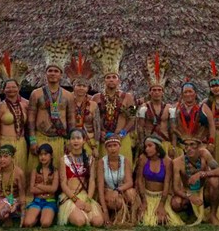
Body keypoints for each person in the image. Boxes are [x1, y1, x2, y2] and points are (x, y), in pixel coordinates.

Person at [28, 41, 74, 171]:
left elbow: (71, 120)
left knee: (59, 175)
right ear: (46, 73)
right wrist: (32, 140)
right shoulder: (36, 94)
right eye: (50, 71)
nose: (53, 73)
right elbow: (31, 119)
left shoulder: (68, 95)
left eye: (56, 71)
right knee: (38, 174)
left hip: (60, 140)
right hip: (41, 138)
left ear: (61, 74)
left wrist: (69, 141)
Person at [91, 37, 136, 165]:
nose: (111, 80)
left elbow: (133, 118)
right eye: (108, 77)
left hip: (122, 137)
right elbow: (94, 119)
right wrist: (100, 133)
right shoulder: (96, 98)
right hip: (104, 139)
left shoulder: (128, 98)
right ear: (104, 80)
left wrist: (122, 133)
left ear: (118, 80)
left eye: (114, 77)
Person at [171, 114, 219, 224]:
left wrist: (202, 174)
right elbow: (176, 188)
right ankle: (190, 213)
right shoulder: (177, 162)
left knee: (214, 180)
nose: (189, 148)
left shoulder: (205, 154)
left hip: (204, 191)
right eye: (186, 145)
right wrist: (190, 196)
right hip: (188, 192)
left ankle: (212, 214)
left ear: (199, 145)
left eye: (192, 144)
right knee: (175, 203)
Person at [58, 129, 103, 227]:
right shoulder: (64, 159)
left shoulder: (90, 159)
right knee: (80, 221)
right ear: (69, 141)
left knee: (98, 222)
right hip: (70, 197)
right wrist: (75, 200)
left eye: (78, 138)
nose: (75, 141)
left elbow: (91, 181)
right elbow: (63, 183)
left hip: (85, 196)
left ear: (84, 141)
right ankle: (75, 214)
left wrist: (88, 201)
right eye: (73, 138)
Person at [136, 136, 184, 226]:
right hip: (146, 196)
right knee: (142, 219)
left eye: (150, 146)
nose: (147, 149)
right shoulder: (143, 158)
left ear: (157, 147)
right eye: (146, 146)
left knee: (161, 220)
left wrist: (162, 205)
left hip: (161, 197)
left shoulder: (167, 161)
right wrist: (143, 201)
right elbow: (140, 180)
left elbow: (167, 183)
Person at [0, 51, 29, 174]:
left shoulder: (26, 104)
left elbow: (30, 125)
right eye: (8, 87)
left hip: (21, 144)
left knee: (20, 174)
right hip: (5, 143)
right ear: (3, 90)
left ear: (19, 88)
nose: (11, 90)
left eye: (14, 87)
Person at [137, 53, 175, 157]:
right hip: (149, 144)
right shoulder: (144, 108)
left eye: (159, 90)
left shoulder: (169, 108)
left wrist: (173, 146)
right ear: (150, 92)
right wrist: (141, 145)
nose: (156, 92)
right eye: (154, 90)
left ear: (163, 92)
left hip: (165, 143)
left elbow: (172, 129)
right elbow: (140, 128)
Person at [97, 134, 140, 225]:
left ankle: (131, 218)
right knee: (117, 201)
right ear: (106, 148)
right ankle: (114, 216)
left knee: (131, 194)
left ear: (119, 146)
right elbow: (100, 188)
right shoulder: (101, 162)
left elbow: (129, 182)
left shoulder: (125, 161)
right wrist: (105, 211)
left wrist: (118, 190)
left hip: (121, 189)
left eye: (115, 145)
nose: (113, 149)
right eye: (109, 146)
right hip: (108, 191)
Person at [65, 53, 100, 157]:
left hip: (89, 142)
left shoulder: (93, 105)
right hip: (70, 141)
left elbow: (97, 127)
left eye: (84, 86)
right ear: (73, 86)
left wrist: (96, 146)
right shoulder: (66, 101)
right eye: (78, 85)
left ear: (88, 88)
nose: (81, 88)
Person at [23, 143, 59, 228]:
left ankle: (45, 215)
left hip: (50, 201)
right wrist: (48, 189)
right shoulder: (35, 171)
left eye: (45, 154)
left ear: (51, 156)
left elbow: (54, 189)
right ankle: (38, 215)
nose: (43, 157)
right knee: (27, 223)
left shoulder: (55, 171)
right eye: (40, 155)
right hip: (37, 201)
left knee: (45, 224)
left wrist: (39, 185)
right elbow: (32, 189)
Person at [174, 81, 215, 155]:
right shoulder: (177, 108)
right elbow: (172, 127)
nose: (188, 94)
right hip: (182, 147)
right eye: (185, 92)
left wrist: (211, 142)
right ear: (182, 95)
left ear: (195, 94)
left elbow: (212, 125)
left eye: (190, 91)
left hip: (201, 146)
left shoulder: (203, 107)